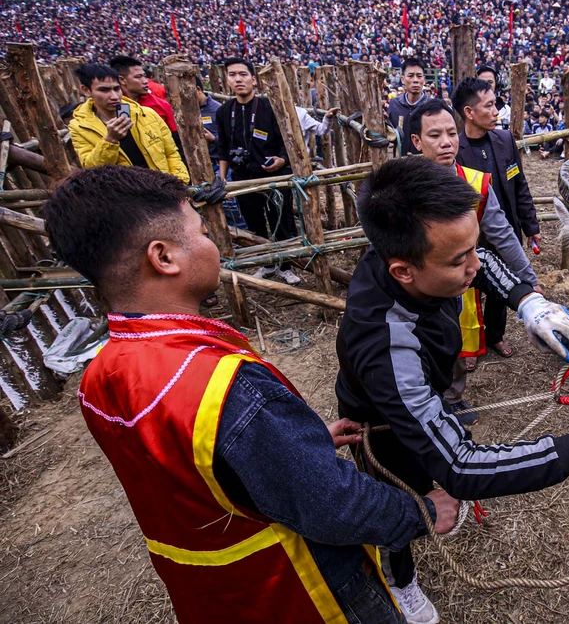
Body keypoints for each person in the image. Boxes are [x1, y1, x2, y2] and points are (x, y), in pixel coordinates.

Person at [43, 164, 461, 624]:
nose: (212, 243)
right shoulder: (225, 385)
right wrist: (420, 510)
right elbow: (328, 504)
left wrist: (297, 444)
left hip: (211, 592)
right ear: (164, 257)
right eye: (201, 232)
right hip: (300, 586)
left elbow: (194, 465)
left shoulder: (101, 374)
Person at [336, 155, 569, 624]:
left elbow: (485, 259)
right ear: (402, 272)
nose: (474, 264)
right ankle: (400, 579)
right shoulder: (386, 347)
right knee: (403, 495)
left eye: (472, 245)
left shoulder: (422, 254)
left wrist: (527, 300)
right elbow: (461, 467)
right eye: (458, 259)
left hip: (424, 390)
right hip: (381, 421)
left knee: (434, 456)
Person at [408, 98, 541, 426]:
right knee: (418, 347)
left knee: (454, 341)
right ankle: (422, 403)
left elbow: (503, 235)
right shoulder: (403, 186)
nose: (446, 143)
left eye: (451, 134)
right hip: (415, 287)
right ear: (416, 141)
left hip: (458, 286)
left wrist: (529, 280)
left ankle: (452, 397)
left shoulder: (476, 183)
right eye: (434, 135)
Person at [453, 77, 541, 360]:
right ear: (469, 112)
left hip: (506, 229)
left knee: (503, 286)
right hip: (473, 234)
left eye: (496, 105)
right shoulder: (455, 150)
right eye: (489, 106)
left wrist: (531, 226)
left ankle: (495, 336)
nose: (496, 112)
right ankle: (468, 342)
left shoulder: (504, 140)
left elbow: (519, 184)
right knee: (469, 290)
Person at [214, 57, 301, 285]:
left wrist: (282, 160)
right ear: (227, 80)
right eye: (232, 75)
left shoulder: (269, 107)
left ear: (254, 79)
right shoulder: (224, 112)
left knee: (280, 220)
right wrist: (223, 179)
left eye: (243, 74)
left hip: (273, 176)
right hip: (243, 178)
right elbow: (222, 148)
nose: (238, 79)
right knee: (254, 224)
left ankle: (286, 266)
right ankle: (267, 264)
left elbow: (286, 140)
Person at [69, 63, 189, 183]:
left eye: (116, 89)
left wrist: (180, 182)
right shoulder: (80, 127)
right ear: (86, 90)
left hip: (163, 189)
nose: (114, 96)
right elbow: (92, 170)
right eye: (104, 90)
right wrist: (110, 141)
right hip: (124, 197)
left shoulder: (146, 114)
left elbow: (171, 153)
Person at [195, 76, 246, 230]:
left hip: (221, 164)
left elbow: (232, 140)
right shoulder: (183, 111)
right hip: (200, 166)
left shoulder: (218, 110)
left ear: (198, 90)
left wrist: (213, 139)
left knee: (230, 204)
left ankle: (243, 233)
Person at [109, 55, 183, 154]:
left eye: (144, 76)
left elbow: (176, 141)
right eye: (138, 77)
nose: (145, 81)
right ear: (122, 80)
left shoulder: (161, 105)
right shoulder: (109, 106)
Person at [387, 58, 429, 157]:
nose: (415, 80)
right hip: (400, 163)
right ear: (403, 79)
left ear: (424, 80)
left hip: (425, 164)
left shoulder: (431, 107)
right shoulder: (394, 105)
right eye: (410, 76)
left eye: (419, 76)